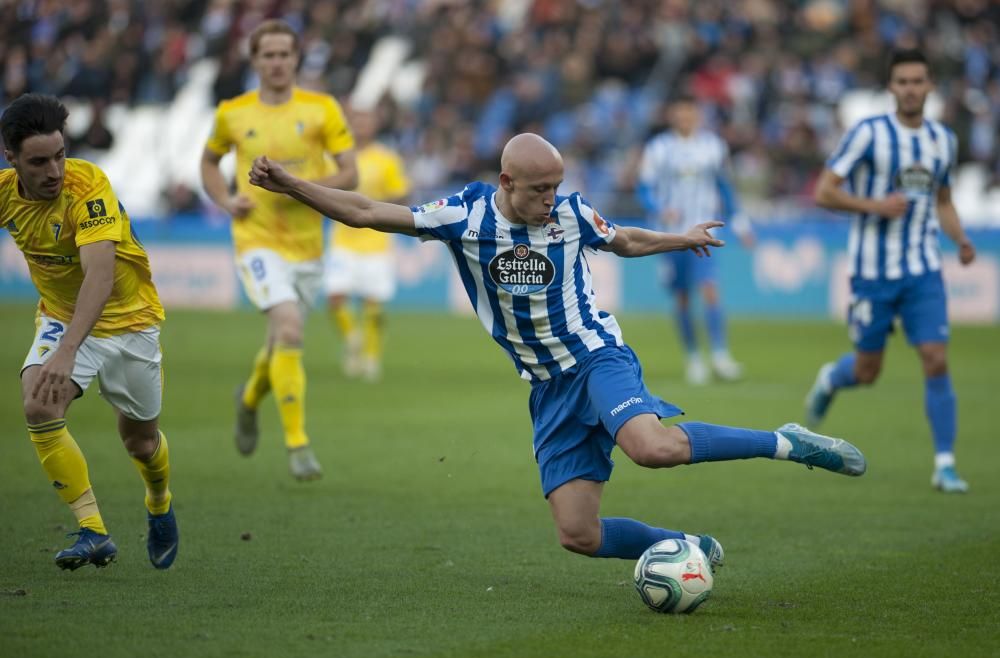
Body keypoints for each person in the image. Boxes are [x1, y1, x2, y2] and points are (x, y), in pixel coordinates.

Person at [247, 132, 867, 567]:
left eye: (556, 188)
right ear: (506, 182)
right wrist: (292, 184)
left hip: (598, 357)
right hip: (547, 387)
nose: (550, 201)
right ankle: (686, 544)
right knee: (579, 535)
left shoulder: (569, 214)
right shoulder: (462, 219)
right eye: (539, 190)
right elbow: (363, 211)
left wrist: (680, 239)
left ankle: (785, 442)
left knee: (651, 448)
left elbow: (621, 238)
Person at [1, 93, 178, 570]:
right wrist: (59, 346)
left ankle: (159, 501)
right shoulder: (5, 194)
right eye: (39, 162)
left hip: (129, 320)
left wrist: (66, 352)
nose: (54, 170)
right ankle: (93, 530)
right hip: (61, 314)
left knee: (139, 442)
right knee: (39, 403)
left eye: (59, 155)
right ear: (11, 159)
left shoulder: (88, 186)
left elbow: (99, 278)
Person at [806, 49, 976, 494]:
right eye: (902, 81)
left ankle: (945, 464)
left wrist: (959, 239)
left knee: (936, 359)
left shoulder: (943, 140)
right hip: (871, 271)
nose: (910, 89)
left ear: (930, 85)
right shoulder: (868, 134)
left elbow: (942, 200)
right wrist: (874, 206)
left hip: (923, 270)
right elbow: (825, 192)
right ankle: (831, 377)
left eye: (918, 81)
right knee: (867, 371)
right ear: (891, 88)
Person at [200, 19, 358, 481]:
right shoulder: (233, 112)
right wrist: (227, 201)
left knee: (278, 342)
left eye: (284, 54)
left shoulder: (322, 108)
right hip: (257, 239)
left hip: (309, 246)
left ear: (296, 59)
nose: (276, 62)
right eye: (267, 55)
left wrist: (296, 186)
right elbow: (209, 163)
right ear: (255, 61)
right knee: (289, 329)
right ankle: (298, 445)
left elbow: (350, 175)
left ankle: (248, 400)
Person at [637, 95, 754, 385]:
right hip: (671, 235)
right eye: (679, 112)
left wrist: (739, 223)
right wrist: (658, 208)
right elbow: (644, 188)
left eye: (689, 112)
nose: (684, 118)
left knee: (710, 289)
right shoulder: (658, 149)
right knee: (682, 297)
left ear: (697, 114)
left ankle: (720, 355)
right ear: (672, 115)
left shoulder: (713, 146)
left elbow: (724, 186)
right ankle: (693, 357)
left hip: (705, 231)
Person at [325, 108, 410, 381]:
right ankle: (353, 338)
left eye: (367, 120)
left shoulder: (386, 159)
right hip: (343, 238)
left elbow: (400, 193)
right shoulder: (337, 158)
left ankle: (371, 358)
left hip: (376, 240)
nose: (362, 126)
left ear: (375, 125)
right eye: (358, 121)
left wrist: (382, 212)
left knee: (373, 303)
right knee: (335, 296)